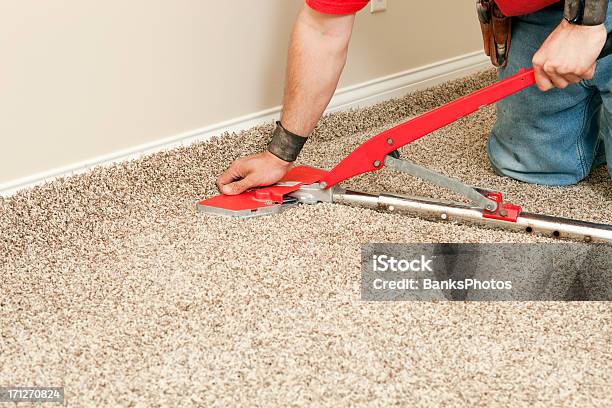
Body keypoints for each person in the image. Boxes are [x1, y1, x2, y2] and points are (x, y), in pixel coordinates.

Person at [217, 0, 610, 195]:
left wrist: (586, 22)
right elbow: (323, 30)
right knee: (532, 166)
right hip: (544, 11)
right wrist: (279, 154)